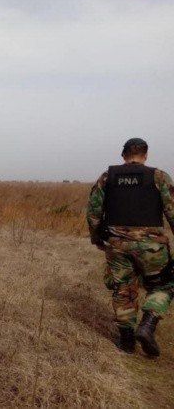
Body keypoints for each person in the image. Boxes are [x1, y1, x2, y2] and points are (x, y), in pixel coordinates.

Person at [86, 137, 174, 357]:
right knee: (163, 287)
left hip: (117, 245)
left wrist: (98, 238)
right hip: (152, 247)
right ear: (146, 155)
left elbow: (93, 212)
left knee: (123, 290)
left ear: (123, 155)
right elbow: (172, 212)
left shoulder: (108, 177)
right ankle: (147, 325)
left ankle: (126, 341)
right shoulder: (159, 177)